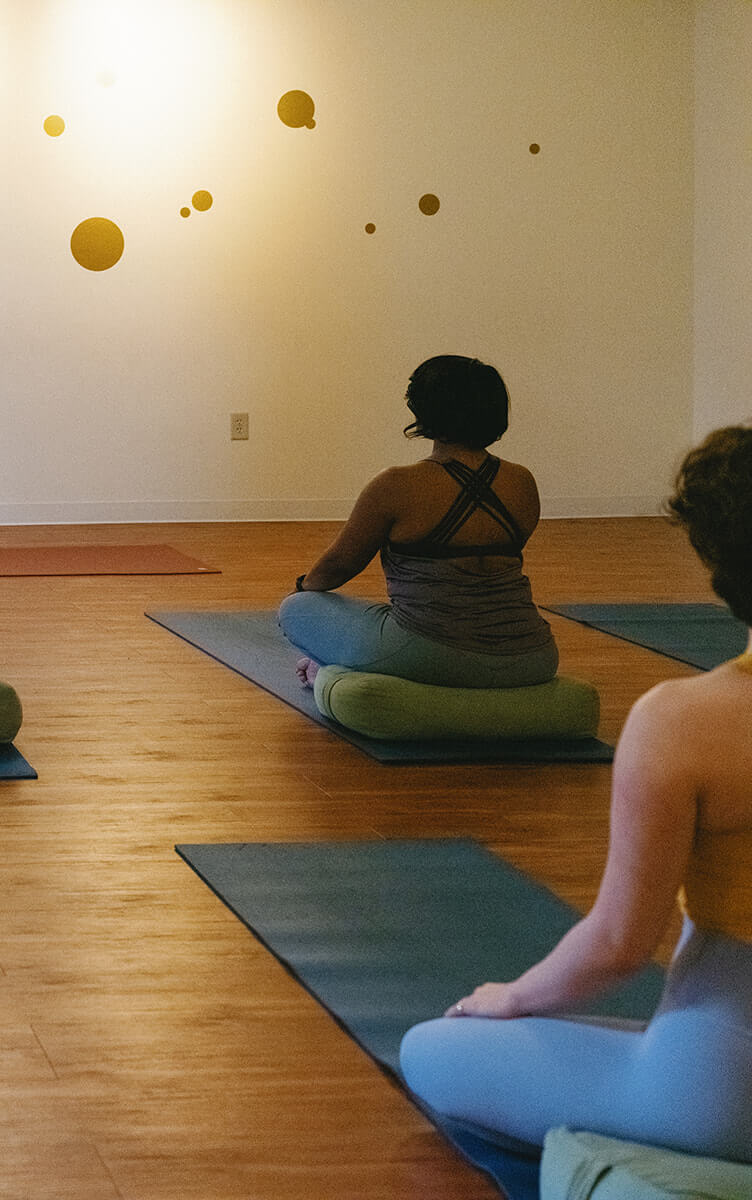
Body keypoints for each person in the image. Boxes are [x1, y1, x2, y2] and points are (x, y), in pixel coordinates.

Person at [400, 425, 752, 1163]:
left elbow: (619, 947)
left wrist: (512, 996)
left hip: (725, 1096)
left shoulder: (685, 720)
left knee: (432, 1048)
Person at [278, 354, 557, 689]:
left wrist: (301, 589)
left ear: (424, 411)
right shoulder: (522, 481)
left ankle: (330, 671)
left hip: (432, 653)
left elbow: (338, 566)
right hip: (534, 656)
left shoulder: (396, 485)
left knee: (296, 609)